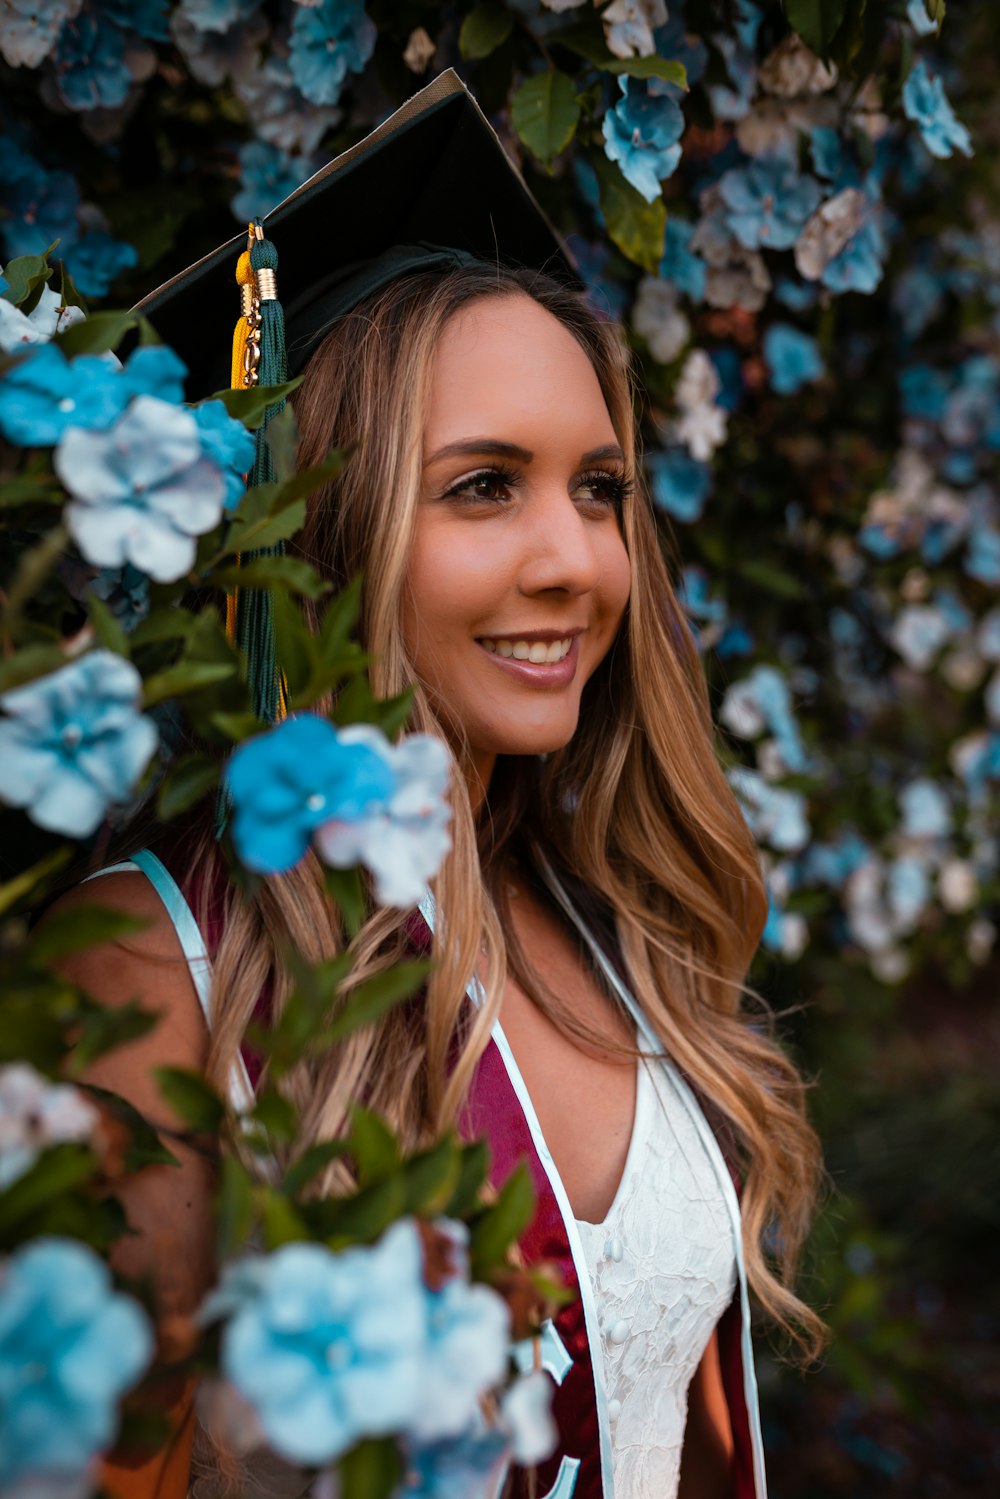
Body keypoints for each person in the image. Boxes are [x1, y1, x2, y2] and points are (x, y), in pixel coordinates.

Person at [55, 70, 823, 1499]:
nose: (576, 562)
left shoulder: (604, 917)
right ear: (327, 521)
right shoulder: (160, 964)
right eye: (483, 486)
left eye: (599, 488)